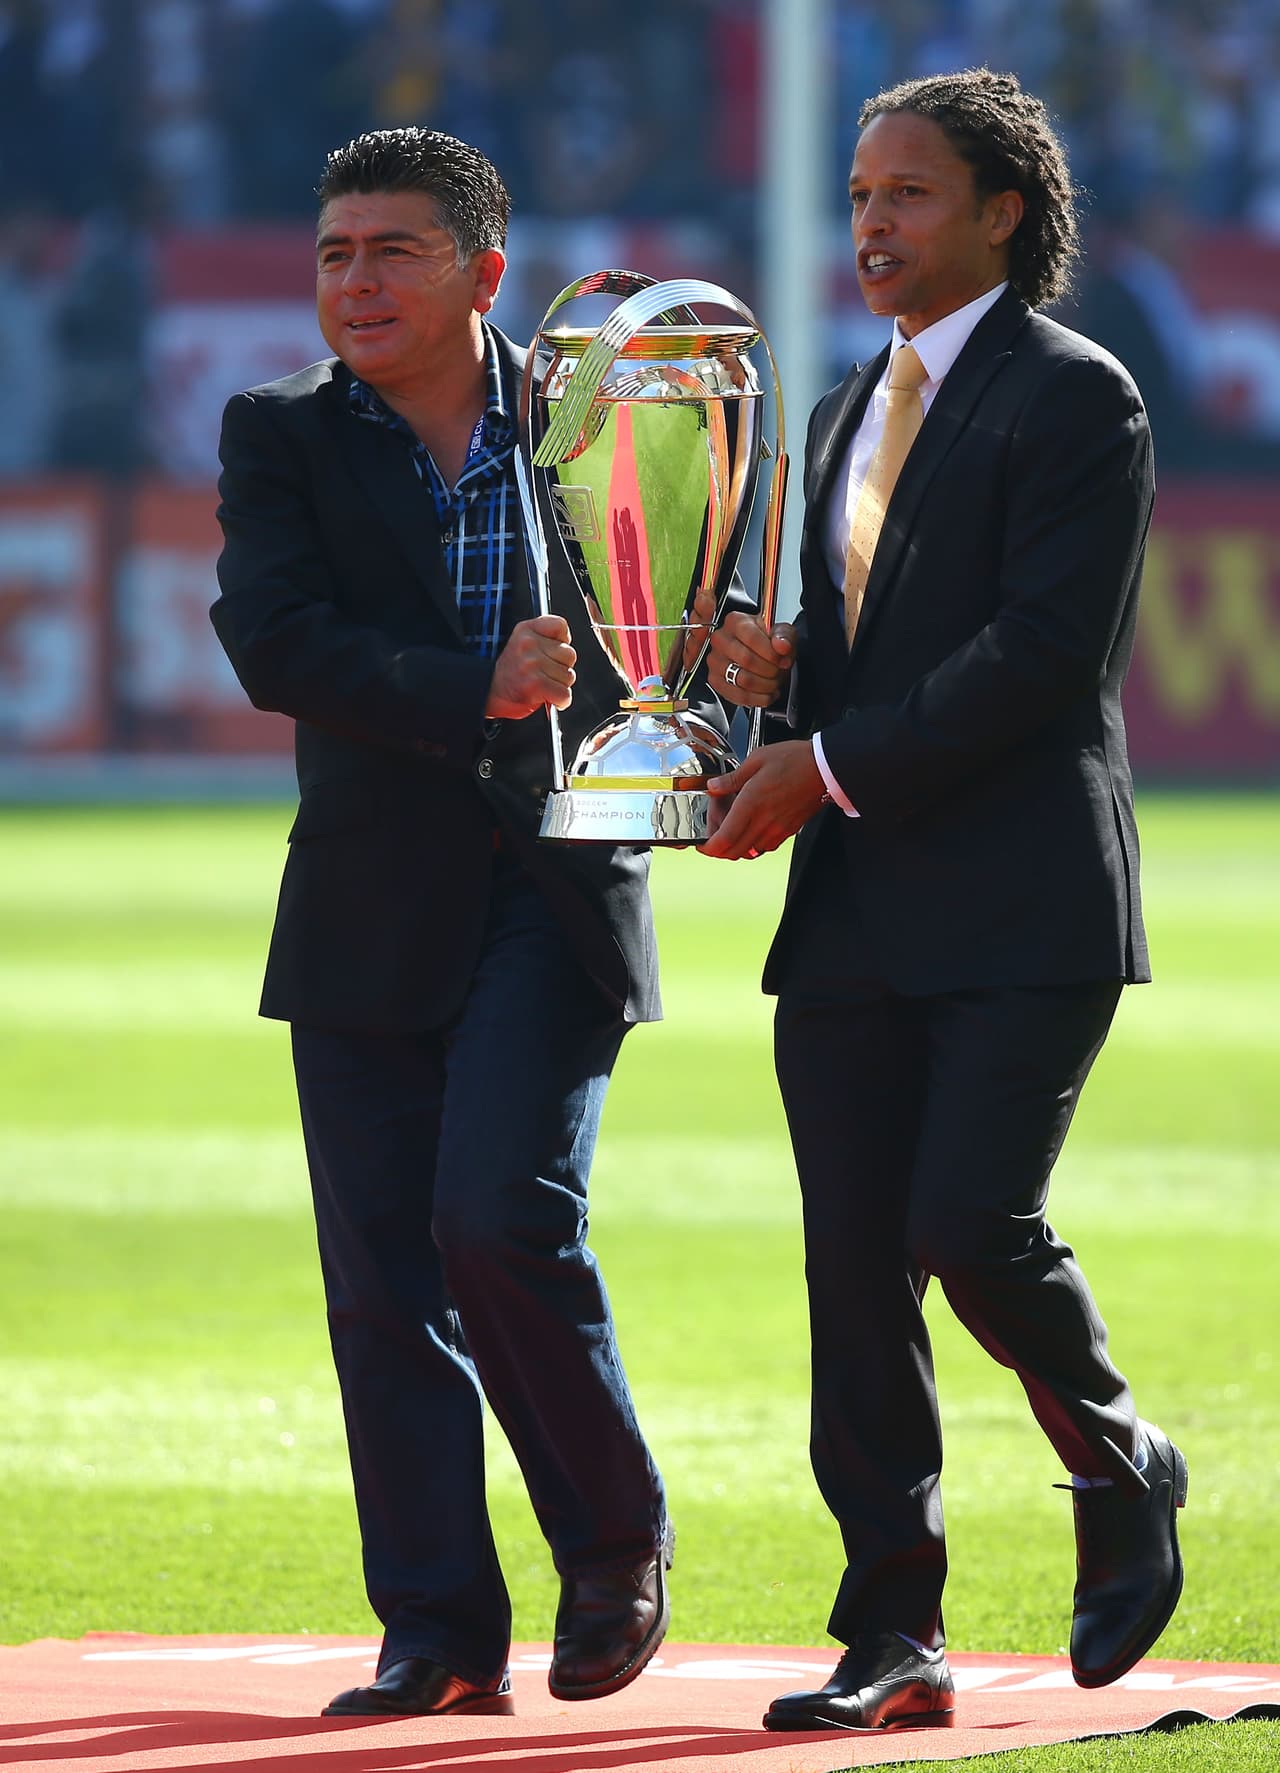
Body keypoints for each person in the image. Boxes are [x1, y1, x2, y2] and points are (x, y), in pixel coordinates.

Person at [702, 69, 1187, 1733]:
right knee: (857, 1274)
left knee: (963, 1223)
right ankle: (892, 1630)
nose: (871, 224)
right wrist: (766, 696)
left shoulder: (1081, 398)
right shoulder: (840, 410)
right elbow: (848, 669)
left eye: (908, 193)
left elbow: (1042, 659)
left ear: (1001, 211)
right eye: (857, 196)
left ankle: (1121, 1453)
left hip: (1025, 898)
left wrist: (820, 761)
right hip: (855, 909)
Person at [210, 127, 712, 1719]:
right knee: (380, 1283)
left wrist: (724, 700)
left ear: (485, 273)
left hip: (555, 886)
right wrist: (468, 688)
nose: (354, 282)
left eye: (393, 251)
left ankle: (615, 1542)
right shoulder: (277, 430)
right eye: (335, 253)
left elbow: (673, 612)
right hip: (364, 901)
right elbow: (273, 639)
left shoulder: (602, 420)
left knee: (499, 1214)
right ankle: (435, 1630)